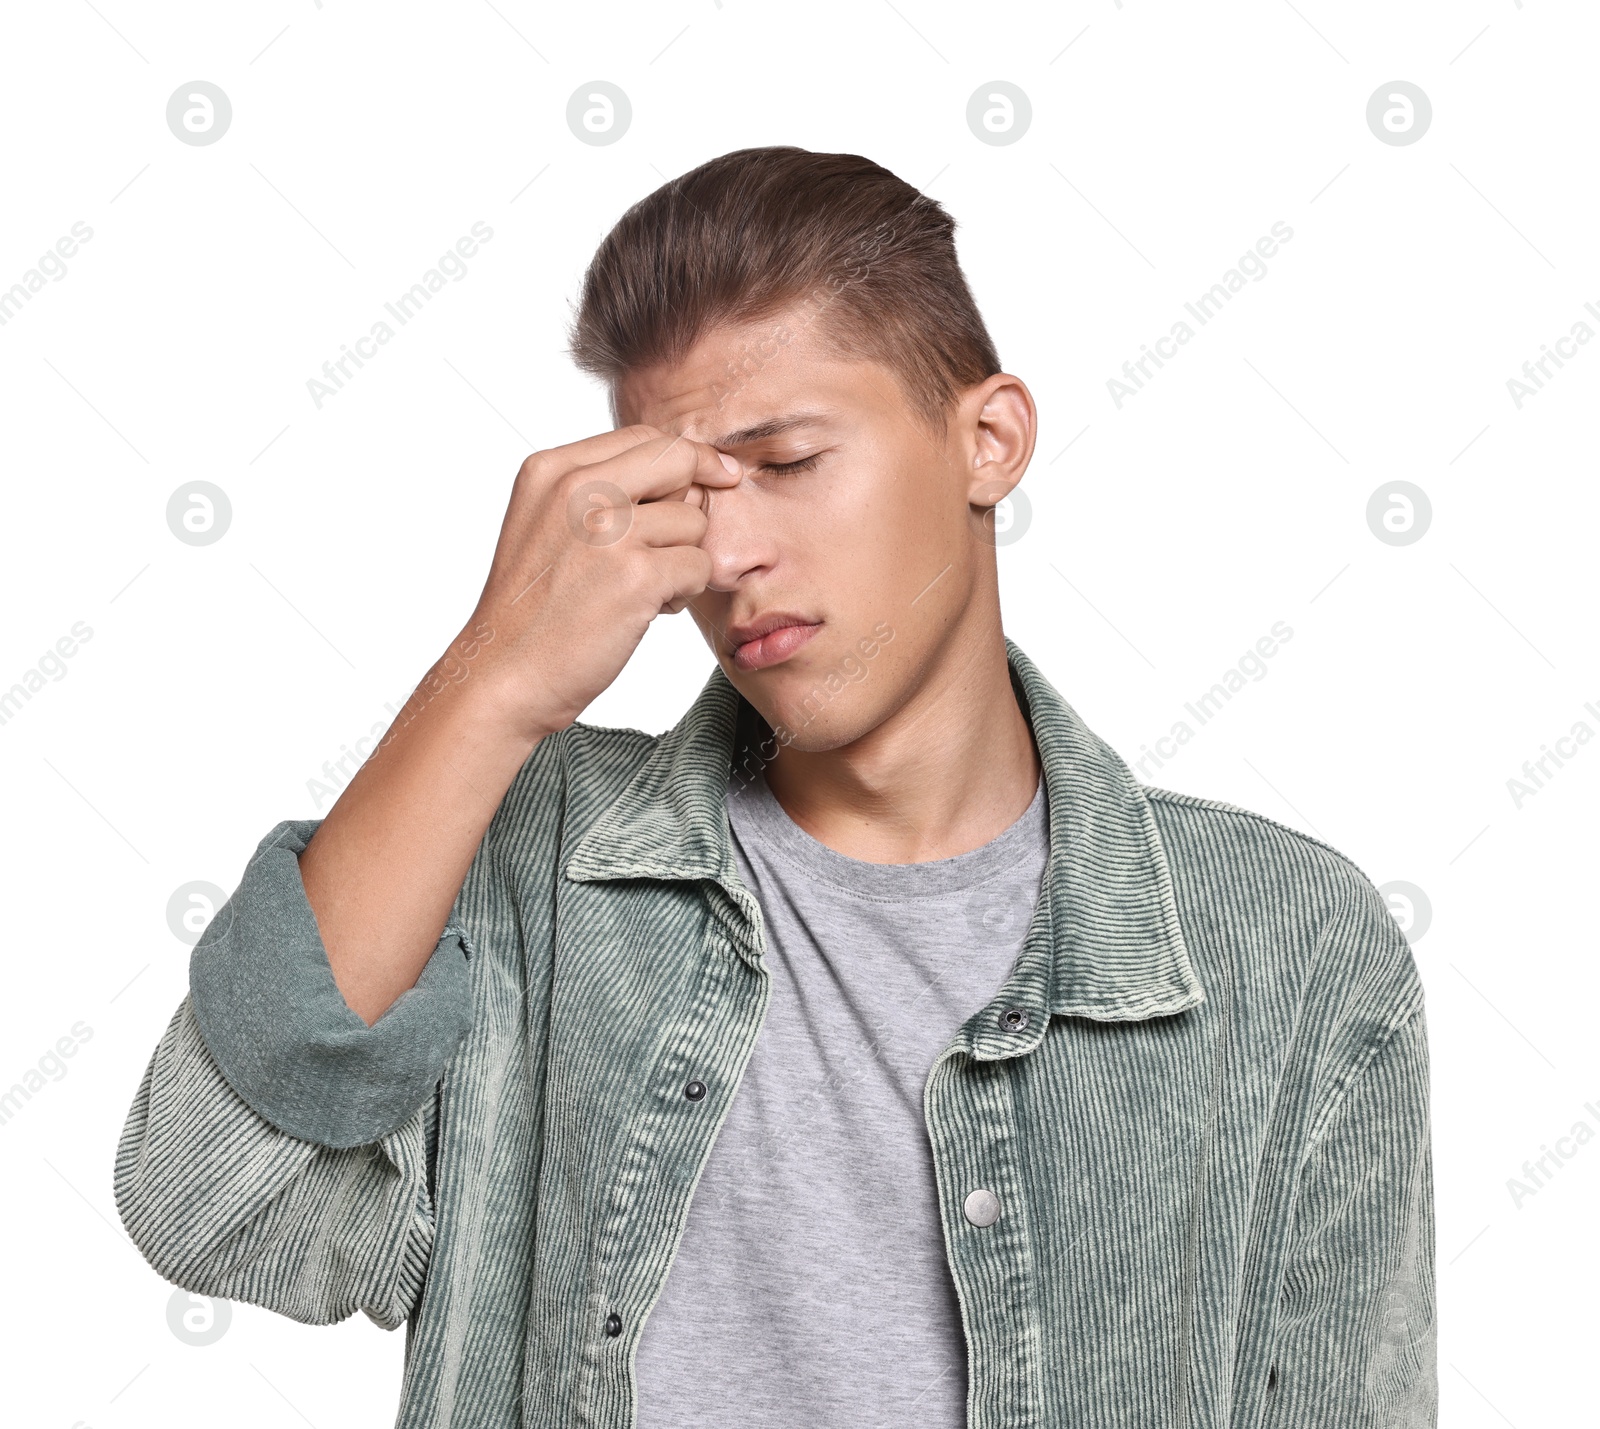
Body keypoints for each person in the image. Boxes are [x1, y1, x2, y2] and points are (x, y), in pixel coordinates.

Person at [114, 146, 1435, 1429]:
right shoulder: (534, 858)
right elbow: (214, 1199)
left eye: (789, 461)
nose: (727, 554)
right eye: (682, 497)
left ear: (990, 440)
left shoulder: (1288, 946)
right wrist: (491, 679)